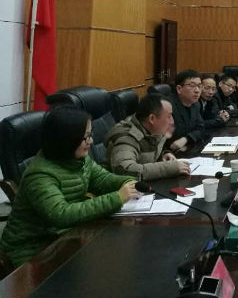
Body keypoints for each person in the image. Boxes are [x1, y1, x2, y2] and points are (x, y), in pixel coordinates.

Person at [0, 107, 139, 268]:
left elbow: (103, 180)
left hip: (65, 237)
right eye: (85, 137)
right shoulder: (40, 175)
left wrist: (130, 182)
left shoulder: (78, 160)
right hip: (33, 251)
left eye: (90, 135)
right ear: (67, 139)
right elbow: (61, 214)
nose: (90, 141)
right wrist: (117, 198)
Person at [104, 94, 191, 180]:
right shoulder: (127, 137)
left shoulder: (154, 130)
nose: (172, 121)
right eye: (169, 116)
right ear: (152, 119)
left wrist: (164, 155)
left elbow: (149, 152)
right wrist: (169, 168)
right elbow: (125, 169)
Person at [168, 69, 206, 153]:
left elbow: (201, 128)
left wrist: (186, 139)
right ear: (179, 89)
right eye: (192, 86)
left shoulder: (196, 104)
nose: (197, 90)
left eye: (199, 86)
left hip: (187, 148)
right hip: (169, 153)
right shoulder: (168, 106)